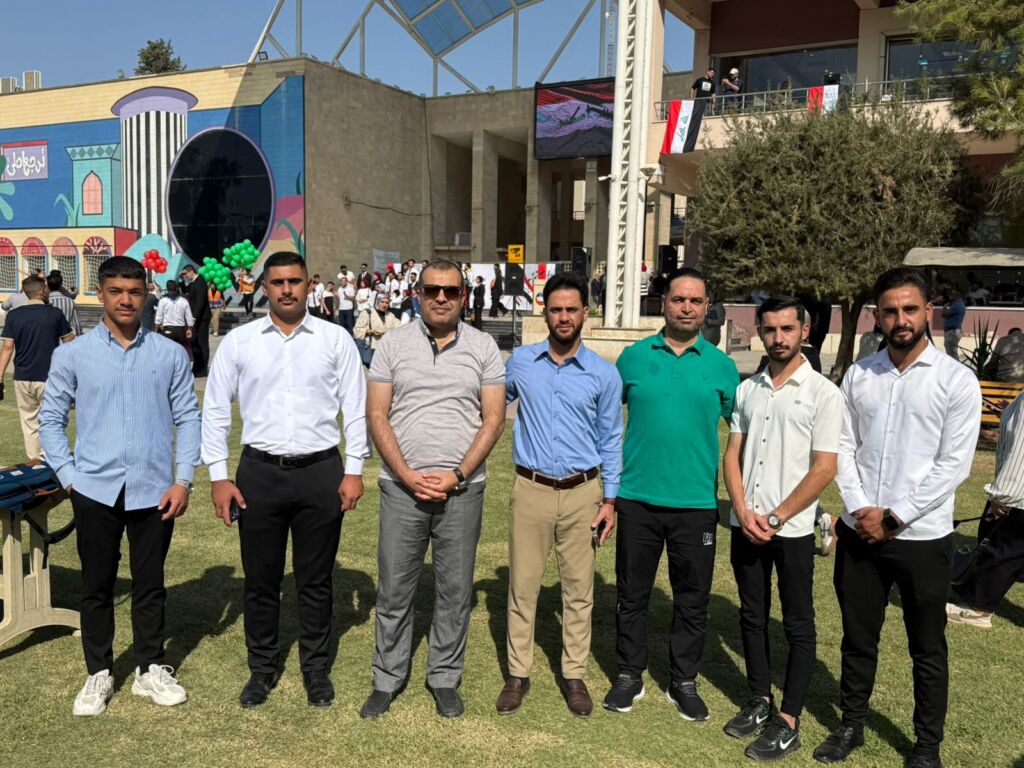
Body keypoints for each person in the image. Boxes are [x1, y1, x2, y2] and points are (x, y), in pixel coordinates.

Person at [814, 267, 981, 768]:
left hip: (923, 537)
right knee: (857, 638)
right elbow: (844, 447)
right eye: (890, 311)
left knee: (926, 646)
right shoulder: (860, 374)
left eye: (910, 309)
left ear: (928, 311)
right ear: (877, 315)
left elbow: (954, 465)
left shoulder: (956, 380)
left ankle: (927, 746)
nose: (900, 319)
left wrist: (895, 517)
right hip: (860, 532)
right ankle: (851, 724)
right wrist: (860, 509)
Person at [201, 251, 370, 709]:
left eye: (295, 281)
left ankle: (315, 668)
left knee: (315, 580)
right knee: (261, 579)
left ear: (308, 284)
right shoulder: (239, 342)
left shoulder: (335, 339)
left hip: (321, 472)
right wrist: (218, 476)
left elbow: (355, 408)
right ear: (264, 287)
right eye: (277, 282)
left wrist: (354, 469)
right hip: (259, 474)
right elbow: (215, 410)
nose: (287, 290)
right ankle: (262, 668)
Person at [38, 256, 200, 717]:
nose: (126, 300)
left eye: (134, 291)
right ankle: (99, 671)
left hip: (155, 489)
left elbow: (189, 418)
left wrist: (183, 479)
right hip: (94, 488)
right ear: (100, 293)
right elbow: (51, 419)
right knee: (97, 585)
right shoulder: (73, 355)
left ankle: (150, 667)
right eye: (116, 291)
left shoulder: (169, 354)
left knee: (150, 584)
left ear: (147, 293)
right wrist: (70, 478)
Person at [361, 259, 505, 720]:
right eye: (432, 290)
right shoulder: (392, 344)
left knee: (455, 591)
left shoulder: (484, 347)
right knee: (394, 589)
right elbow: (377, 415)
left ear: (464, 296)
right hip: (401, 489)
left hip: (463, 490)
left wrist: (457, 474)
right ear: (418, 294)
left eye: (451, 291)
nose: (441, 297)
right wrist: (406, 474)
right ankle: (387, 678)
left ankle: (444, 676)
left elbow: (494, 420)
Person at [603, 267, 740, 719]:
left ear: (707, 307)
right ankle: (629, 675)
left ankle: (683, 681)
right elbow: (606, 421)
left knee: (692, 599)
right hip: (637, 498)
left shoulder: (722, 367)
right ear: (664, 303)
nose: (686, 307)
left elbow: (740, 433)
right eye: (678, 299)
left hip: (696, 505)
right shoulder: (633, 358)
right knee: (632, 595)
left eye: (695, 301)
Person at [498, 273, 623, 719]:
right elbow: (491, 407)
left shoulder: (604, 374)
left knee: (579, 591)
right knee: (522, 587)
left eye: (572, 309)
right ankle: (518, 674)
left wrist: (610, 500)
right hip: (530, 489)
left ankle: (574, 675)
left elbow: (611, 438)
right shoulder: (520, 362)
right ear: (545, 313)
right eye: (556, 309)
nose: (564, 317)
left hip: (582, 493)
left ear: (586, 313)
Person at [722, 297, 841, 762]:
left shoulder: (823, 393)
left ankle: (789, 720)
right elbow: (733, 454)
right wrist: (742, 509)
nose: (778, 338)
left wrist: (775, 517)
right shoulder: (747, 389)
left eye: (787, 329)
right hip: (745, 523)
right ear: (759, 331)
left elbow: (824, 467)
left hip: (789, 531)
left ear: (804, 332)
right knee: (751, 615)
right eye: (769, 329)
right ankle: (759, 699)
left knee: (797, 623)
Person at [946, 391, 1023, 627]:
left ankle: (978, 609)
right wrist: (1009, 416)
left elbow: (1021, 451)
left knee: (1002, 550)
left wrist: (1004, 495)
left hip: (1019, 497)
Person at [0, 275, 75, 459]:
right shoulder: (54, 314)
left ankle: (35, 462)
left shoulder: (13, 315)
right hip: (50, 376)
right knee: (53, 421)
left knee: (29, 423)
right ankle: (53, 460)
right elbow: (70, 343)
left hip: (22, 376)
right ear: (42, 291)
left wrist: (0, 377)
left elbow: (7, 347)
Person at [182, 265, 211, 378]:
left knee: (202, 343)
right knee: (195, 342)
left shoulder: (200, 282)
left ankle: (202, 370)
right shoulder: (194, 282)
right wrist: (181, 280)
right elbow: (187, 292)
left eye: (186, 273)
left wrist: (194, 317)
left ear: (191, 272)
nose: (185, 276)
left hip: (201, 318)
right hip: (197, 318)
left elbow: (200, 301)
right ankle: (197, 367)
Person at [155, 281, 194, 353]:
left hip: (168, 329)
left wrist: (156, 330)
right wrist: (189, 329)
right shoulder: (183, 300)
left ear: (167, 289)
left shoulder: (163, 301)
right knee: (180, 351)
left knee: (168, 352)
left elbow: (158, 318)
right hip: (180, 330)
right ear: (176, 288)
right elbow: (189, 317)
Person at [46, 271, 82, 336]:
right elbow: (76, 324)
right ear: (61, 284)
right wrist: (79, 336)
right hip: (66, 336)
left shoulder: (45, 302)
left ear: (48, 285)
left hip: (49, 336)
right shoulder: (70, 301)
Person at [941, 289, 965, 359]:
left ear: (957, 296)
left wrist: (944, 307)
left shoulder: (957, 305)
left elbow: (944, 315)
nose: (949, 295)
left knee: (952, 355)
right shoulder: (957, 304)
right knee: (951, 353)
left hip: (953, 331)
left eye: (951, 294)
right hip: (953, 331)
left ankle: (956, 366)